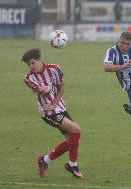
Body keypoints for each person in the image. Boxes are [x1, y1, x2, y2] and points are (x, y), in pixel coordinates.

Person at [22, 48, 85, 179]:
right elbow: (42, 92)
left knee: (74, 141)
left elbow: (62, 87)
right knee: (76, 130)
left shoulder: (54, 69)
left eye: (33, 63)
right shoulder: (28, 78)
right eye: (29, 64)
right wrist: (44, 90)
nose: (31, 66)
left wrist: (55, 104)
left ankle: (44, 160)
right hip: (48, 113)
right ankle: (73, 165)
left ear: (40, 60)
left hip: (59, 108)